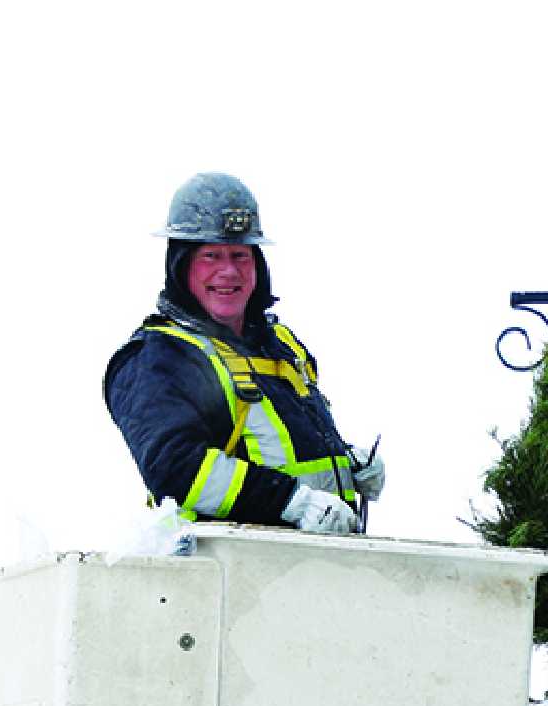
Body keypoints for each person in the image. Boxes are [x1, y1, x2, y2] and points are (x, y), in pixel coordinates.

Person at [104, 172, 383, 534]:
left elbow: (282, 451)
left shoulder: (281, 344)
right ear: (181, 265)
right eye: (211, 256)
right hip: (227, 562)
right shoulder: (157, 356)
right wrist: (290, 502)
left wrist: (348, 465)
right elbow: (176, 468)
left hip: (313, 558)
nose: (228, 271)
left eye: (240, 255)